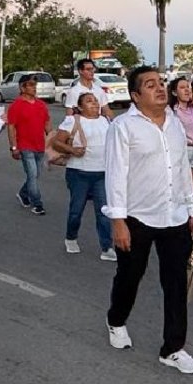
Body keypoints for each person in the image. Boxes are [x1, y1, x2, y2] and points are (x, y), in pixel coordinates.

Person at [103, 66, 193, 375]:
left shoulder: (174, 124)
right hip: (137, 218)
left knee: (175, 283)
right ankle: (116, 320)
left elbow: (182, 168)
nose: (160, 88)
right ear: (135, 95)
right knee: (130, 276)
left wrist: (191, 209)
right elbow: (116, 175)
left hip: (174, 216)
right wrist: (118, 221)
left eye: (161, 83)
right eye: (150, 85)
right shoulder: (123, 127)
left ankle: (172, 348)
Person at [52, 92, 114, 260]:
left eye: (95, 101)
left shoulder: (106, 121)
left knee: (103, 211)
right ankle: (71, 238)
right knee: (76, 210)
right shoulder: (73, 121)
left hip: (102, 173)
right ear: (80, 107)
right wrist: (72, 150)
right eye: (89, 101)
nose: (94, 104)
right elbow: (56, 142)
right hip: (79, 173)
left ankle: (107, 247)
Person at [7, 74, 50, 215]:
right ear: (22, 87)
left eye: (34, 85)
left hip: (40, 146)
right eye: (30, 85)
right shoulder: (16, 106)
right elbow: (11, 127)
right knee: (32, 175)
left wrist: (53, 141)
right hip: (25, 146)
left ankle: (23, 194)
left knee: (36, 175)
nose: (34, 88)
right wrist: (14, 147)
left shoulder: (41, 105)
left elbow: (47, 124)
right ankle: (37, 204)